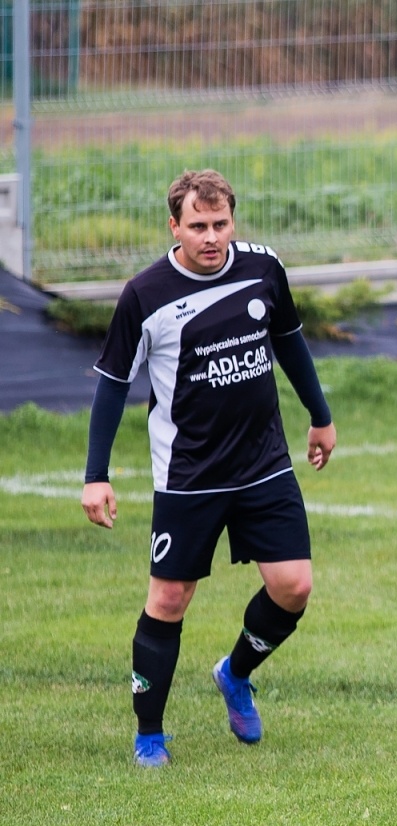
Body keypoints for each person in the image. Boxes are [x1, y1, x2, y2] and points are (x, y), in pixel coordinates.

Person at [80, 169, 336, 768]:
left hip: (264, 462)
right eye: (198, 226)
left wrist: (320, 416)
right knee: (170, 597)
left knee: (294, 586)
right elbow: (113, 387)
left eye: (221, 224)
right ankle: (150, 736)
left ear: (233, 221)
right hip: (189, 474)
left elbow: (290, 340)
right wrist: (97, 474)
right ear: (175, 227)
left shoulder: (264, 268)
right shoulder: (145, 295)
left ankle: (235, 673)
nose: (211, 237)